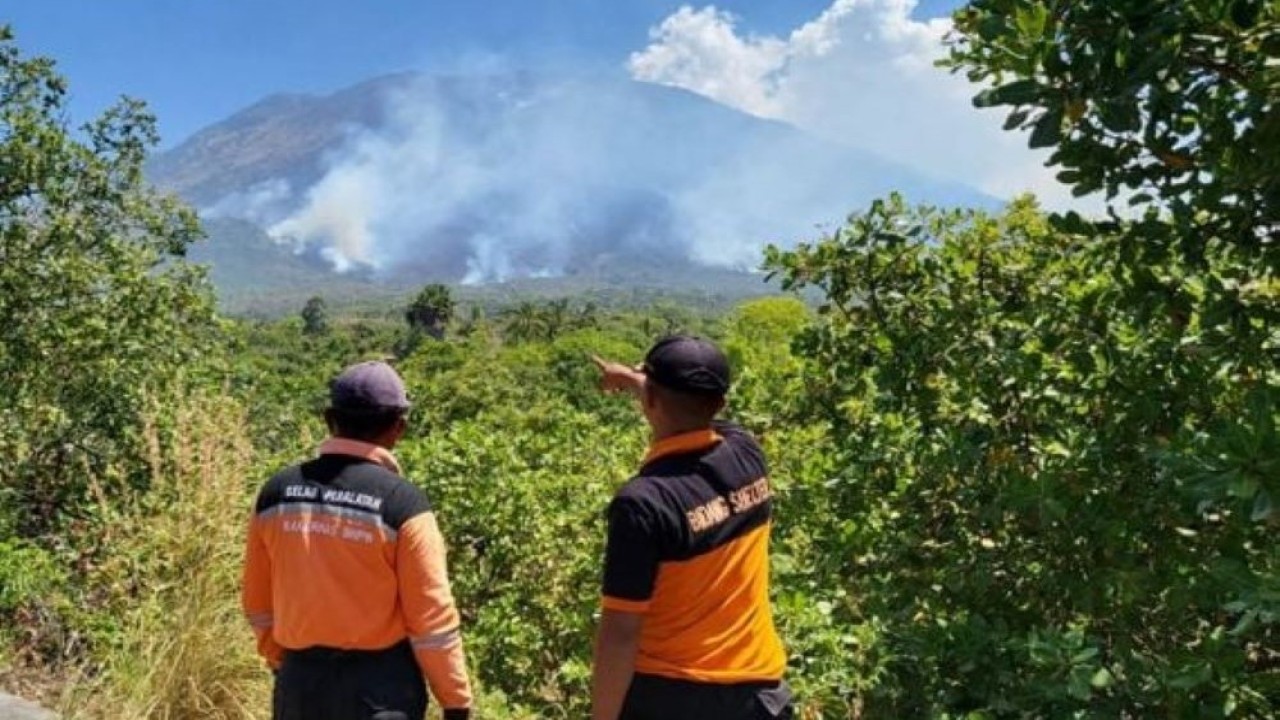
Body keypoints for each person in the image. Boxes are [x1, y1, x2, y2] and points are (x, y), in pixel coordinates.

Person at [241, 360, 472, 720]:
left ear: (329, 419)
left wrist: (284, 663)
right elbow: (431, 622)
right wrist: (456, 702)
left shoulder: (277, 493)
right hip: (380, 693)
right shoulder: (403, 505)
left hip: (300, 687)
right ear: (399, 428)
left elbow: (257, 603)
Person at [589, 336, 793, 720]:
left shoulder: (644, 503)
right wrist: (638, 382)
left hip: (670, 696)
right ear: (721, 402)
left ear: (651, 402)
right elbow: (700, 415)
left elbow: (621, 631)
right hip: (758, 694)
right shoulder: (747, 453)